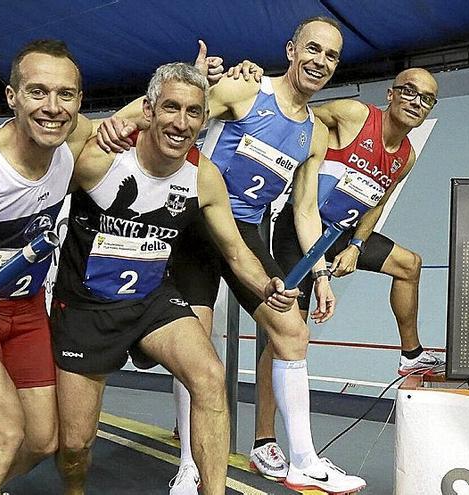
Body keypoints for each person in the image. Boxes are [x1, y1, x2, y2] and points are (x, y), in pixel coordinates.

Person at [97, 17, 366, 495]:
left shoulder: (315, 135)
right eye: (313, 49)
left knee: (292, 331)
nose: (320, 62)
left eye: (330, 57)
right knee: (196, 346)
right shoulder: (246, 91)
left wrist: (320, 274)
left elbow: (304, 210)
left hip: (245, 235)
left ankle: (303, 459)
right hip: (197, 223)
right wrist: (113, 126)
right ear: (291, 50)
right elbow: (179, 108)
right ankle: (190, 465)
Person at [51, 62, 296, 495]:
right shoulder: (100, 156)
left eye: (193, 113)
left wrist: (266, 285)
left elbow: (237, 252)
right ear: (149, 110)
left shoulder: (203, 177)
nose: (181, 123)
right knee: (74, 446)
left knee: (208, 376)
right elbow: (35, 198)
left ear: (205, 118)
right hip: (87, 309)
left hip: (151, 301)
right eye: (171, 108)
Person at [255, 68, 444, 477]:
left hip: (342, 234)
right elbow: (303, 117)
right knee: (287, 335)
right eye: (409, 92)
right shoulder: (356, 115)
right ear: (391, 94)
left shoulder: (406, 155)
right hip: (298, 227)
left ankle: (411, 356)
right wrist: (305, 164)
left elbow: (376, 200)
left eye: (426, 98)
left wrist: (358, 246)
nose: (416, 102)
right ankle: (264, 441)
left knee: (409, 265)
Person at [0, 39, 102, 495]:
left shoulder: (74, 140)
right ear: (12, 97)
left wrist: (208, 78)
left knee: (43, 441)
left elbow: (146, 111)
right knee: (3, 434)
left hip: (24, 310)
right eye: (37, 92)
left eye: (65, 94)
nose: (52, 107)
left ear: (79, 102)